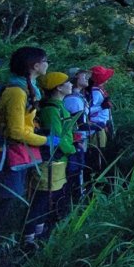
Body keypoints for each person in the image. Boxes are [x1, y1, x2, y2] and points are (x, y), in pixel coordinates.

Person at [0, 47, 57, 267]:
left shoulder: (27, 90)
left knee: (0, 208)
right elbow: (15, 131)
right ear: (34, 65)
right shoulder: (17, 93)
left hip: (10, 157)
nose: (47, 64)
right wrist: (45, 140)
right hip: (2, 159)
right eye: (45, 60)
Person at [23, 71, 76, 244]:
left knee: (49, 197)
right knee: (41, 197)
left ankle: (39, 232)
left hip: (59, 160)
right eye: (67, 82)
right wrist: (72, 149)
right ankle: (28, 238)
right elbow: (57, 136)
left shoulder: (58, 107)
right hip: (51, 161)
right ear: (58, 88)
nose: (71, 85)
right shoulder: (51, 110)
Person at [84, 65, 115, 191]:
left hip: (101, 126)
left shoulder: (98, 89)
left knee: (99, 154)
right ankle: (95, 185)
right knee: (97, 155)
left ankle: (96, 183)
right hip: (96, 128)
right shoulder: (95, 92)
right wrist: (103, 106)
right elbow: (87, 110)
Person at [62, 67, 91, 201]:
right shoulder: (73, 99)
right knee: (75, 171)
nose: (87, 77)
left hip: (79, 140)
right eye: (83, 75)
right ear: (75, 78)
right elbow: (77, 124)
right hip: (75, 141)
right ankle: (74, 201)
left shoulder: (79, 96)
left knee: (78, 170)